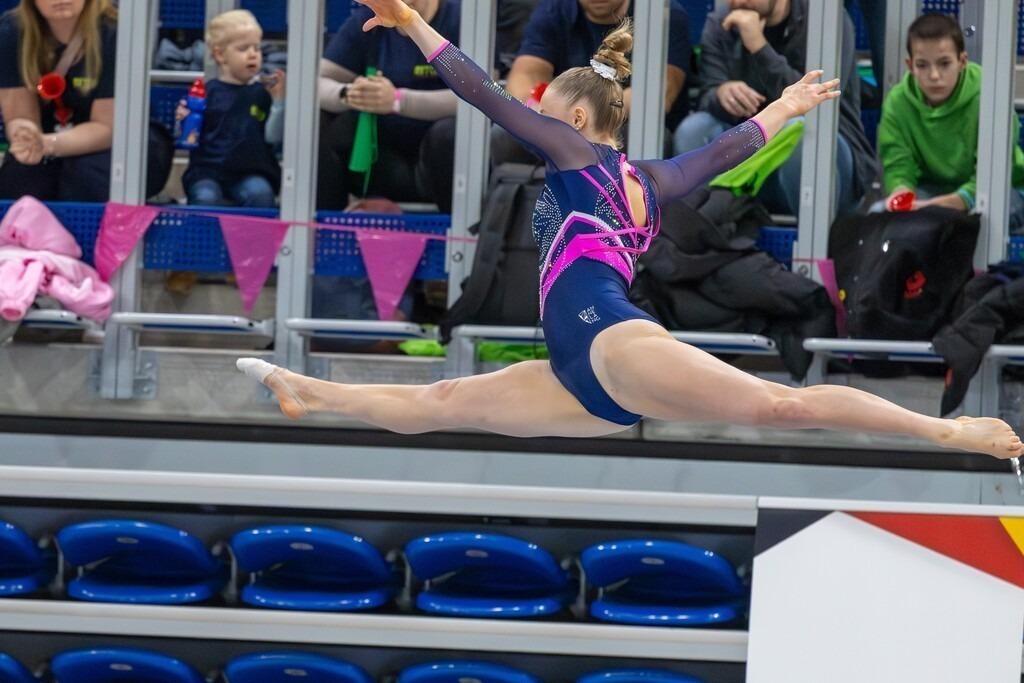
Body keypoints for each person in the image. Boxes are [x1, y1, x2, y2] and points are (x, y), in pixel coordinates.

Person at [236, 0, 1022, 462]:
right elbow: (726, 149)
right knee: (445, 398)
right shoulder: (647, 179)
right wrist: (783, 110)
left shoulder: (576, 154)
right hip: (582, 374)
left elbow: (483, 94)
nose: (535, 110)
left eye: (547, 104)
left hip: (615, 342)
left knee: (782, 409)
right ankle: (308, 388)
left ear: (578, 117)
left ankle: (947, 431)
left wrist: (411, 23)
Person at [673, 0, 875, 218]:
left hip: (827, 166)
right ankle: (702, 233)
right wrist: (721, 94)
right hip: (751, 164)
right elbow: (707, 95)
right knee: (693, 129)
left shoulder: (824, 18)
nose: (738, 2)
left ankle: (814, 243)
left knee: (796, 129)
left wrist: (759, 48)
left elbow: (818, 103)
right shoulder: (722, 20)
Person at [0, 0, 172, 202]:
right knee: (21, 177)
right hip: (49, 137)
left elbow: (107, 128)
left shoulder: (117, 30)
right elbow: (20, 115)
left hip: (120, 141)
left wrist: (48, 145)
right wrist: (24, 133)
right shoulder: (11, 31)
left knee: (86, 174)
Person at [494, 0, 690, 164]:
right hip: (562, 122)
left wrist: (578, 115)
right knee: (505, 134)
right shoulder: (555, 9)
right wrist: (542, 111)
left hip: (623, 123)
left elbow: (659, 94)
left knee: (646, 135)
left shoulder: (661, 12)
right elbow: (525, 75)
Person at [875, 13, 1024, 229]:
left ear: (962, 61)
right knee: (879, 214)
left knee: (982, 218)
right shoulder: (897, 103)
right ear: (910, 66)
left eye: (944, 63)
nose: (934, 75)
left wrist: (933, 208)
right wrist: (903, 198)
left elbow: (991, 180)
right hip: (932, 192)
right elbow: (898, 169)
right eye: (923, 65)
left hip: (999, 190)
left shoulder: (990, 97)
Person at [317, 0, 461, 213]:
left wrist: (398, 100)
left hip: (439, 160)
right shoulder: (369, 20)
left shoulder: (460, 20)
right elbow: (317, 81)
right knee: (316, 121)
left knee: (449, 134)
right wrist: (350, 94)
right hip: (383, 159)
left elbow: (483, 96)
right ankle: (325, 230)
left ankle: (460, 236)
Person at [177, 9, 284, 208]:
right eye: (243, 49)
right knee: (205, 198)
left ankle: (254, 241)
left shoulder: (262, 94)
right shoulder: (207, 93)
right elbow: (188, 138)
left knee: (261, 195)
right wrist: (183, 121)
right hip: (207, 171)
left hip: (252, 171)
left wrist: (279, 103)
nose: (253, 54)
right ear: (220, 54)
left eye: (257, 48)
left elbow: (273, 138)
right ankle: (202, 240)